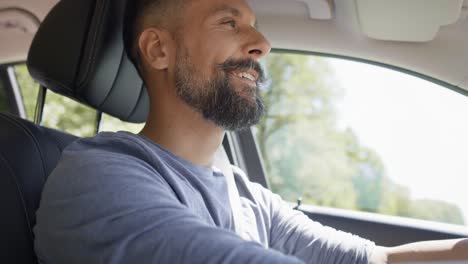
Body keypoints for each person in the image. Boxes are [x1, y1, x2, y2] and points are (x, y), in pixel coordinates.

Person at [34, 0, 468, 263]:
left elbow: (375, 259)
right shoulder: (96, 178)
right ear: (159, 50)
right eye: (229, 22)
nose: (262, 42)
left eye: (254, 22)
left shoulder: (246, 197)